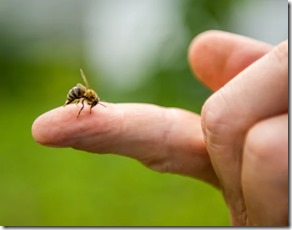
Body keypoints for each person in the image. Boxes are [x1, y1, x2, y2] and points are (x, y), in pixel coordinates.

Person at [32, 30, 288, 226]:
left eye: (92, 104)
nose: (92, 105)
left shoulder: (90, 98)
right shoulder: (86, 97)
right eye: (92, 103)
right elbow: (83, 97)